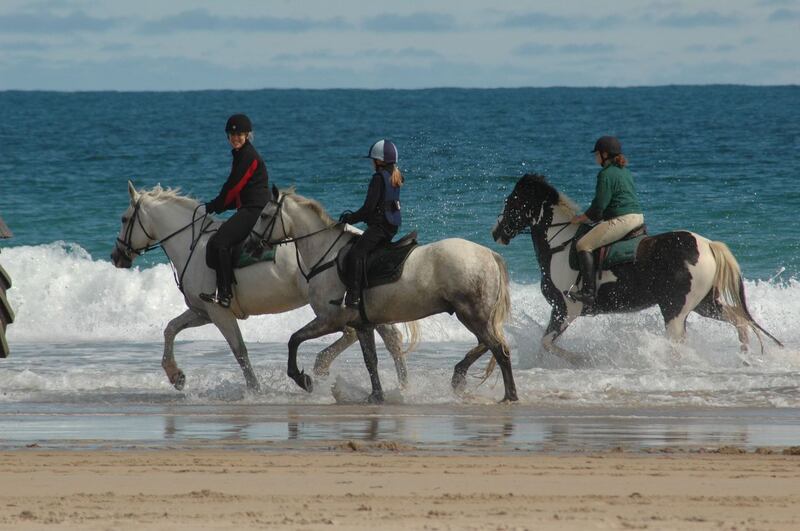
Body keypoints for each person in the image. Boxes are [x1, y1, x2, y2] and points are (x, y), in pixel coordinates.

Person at [199, 114, 270, 308]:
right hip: (249, 205)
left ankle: (225, 293)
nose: (235, 137)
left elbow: (233, 187)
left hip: (255, 209)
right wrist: (219, 205)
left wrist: (216, 205)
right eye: (231, 134)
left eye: (239, 134)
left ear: (247, 135)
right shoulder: (241, 155)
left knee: (220, 242)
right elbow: (240, 192)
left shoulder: (248, 156)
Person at [569, 136, 644, 306]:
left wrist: (581, 218)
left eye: (596, 154)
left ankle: (588, 293)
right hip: (637, 217)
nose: (595, 158)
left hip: (622, 219)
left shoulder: (605, 174)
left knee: (583, 245)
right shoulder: (624, 171)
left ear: (604, 154)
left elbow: (599, 207)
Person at [338, 140, 404, 308]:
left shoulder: (378, 178)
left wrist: (350, 218)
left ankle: (354, 297)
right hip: (392, 226)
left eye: (372, 160)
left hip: (381, 227)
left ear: (379, 161)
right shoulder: (396, 175)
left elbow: (368, 208)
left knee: (356, 254)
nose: (371, 163)